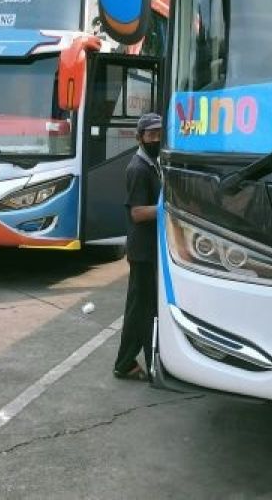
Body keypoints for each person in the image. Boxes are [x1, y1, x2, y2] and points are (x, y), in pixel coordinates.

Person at [113, 112, 163, 381]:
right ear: (140, 137)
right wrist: (166, 209)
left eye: (159, 134)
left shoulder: (153, 163)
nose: (156, 138)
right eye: (151, 134)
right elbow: (137, 213)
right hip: (142, 251)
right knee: (141, 309)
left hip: (149, 249)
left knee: (144, 307)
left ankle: (135, 361)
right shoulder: (138, 168)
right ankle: (128, 363)